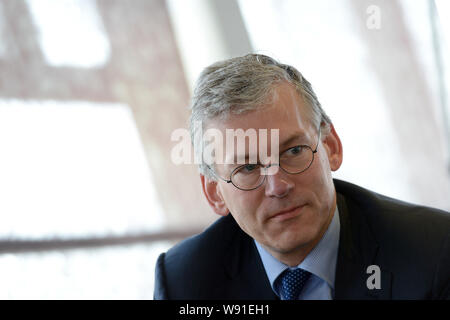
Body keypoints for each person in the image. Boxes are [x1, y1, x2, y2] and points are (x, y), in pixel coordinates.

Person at [154, 54, 450, 300]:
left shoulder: (434, 252)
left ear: (331, 147)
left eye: (293, 151)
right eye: (247, 168)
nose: (278, 186)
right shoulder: (186, 282)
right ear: (215, 194)